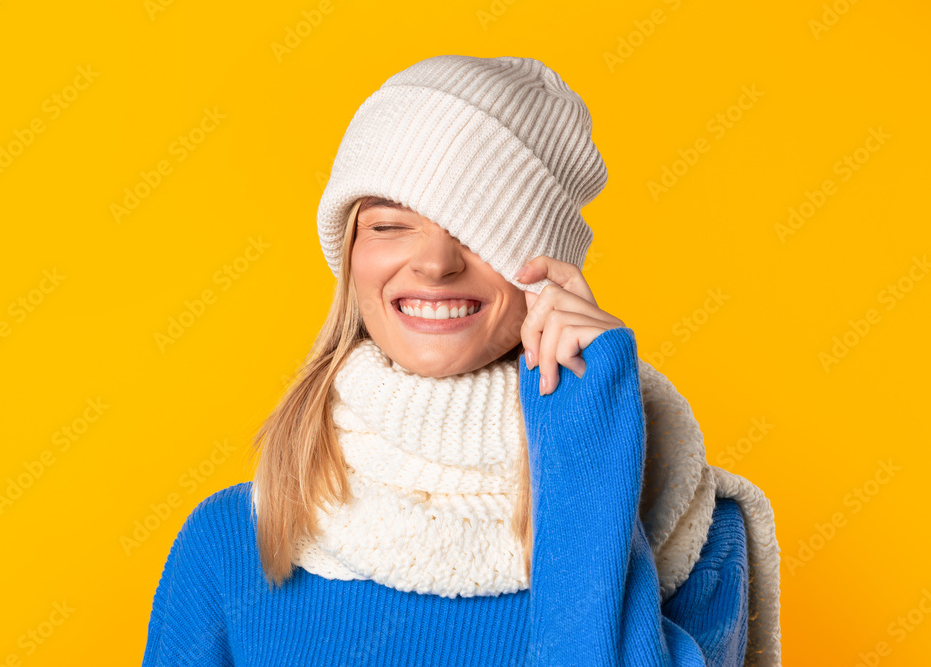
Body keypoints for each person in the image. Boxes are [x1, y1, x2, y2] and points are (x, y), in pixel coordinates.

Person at [141, 55, 781, 667]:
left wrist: (588, 438)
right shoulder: (232, 541)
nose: (437, 263)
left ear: (548, 269)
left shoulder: (688, 530)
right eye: (390, 225)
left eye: (483, 230)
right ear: (352, 259)